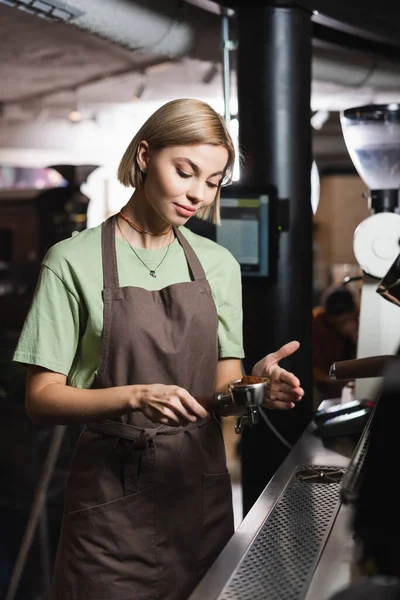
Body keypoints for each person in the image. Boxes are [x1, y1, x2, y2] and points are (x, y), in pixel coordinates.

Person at [13, 98, 304, 600]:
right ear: (145, 155)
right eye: (185, 171)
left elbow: (220, 393)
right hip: (110, 506)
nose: (197, 195)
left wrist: (254, 388)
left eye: (212, 182)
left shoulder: (217, 264)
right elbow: (41, 398)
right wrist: (135, 396)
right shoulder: (72, 260)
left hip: (198, 495)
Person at [312, 284, 359, 401]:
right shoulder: (316, 323)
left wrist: (355, 337)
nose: (343, 326)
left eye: (346, 320)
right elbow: (311, 366)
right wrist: (328, 380)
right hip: (326, 389)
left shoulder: (362, 319)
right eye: (338, 323)